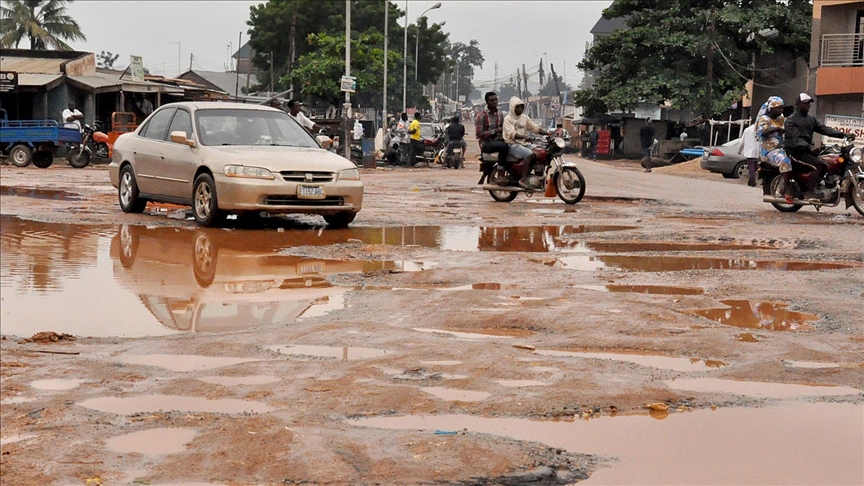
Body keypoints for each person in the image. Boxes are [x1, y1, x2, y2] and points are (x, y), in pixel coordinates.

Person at [784, 92, 855, 198]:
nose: (808, 105)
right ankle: (810, 192)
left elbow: (824, 129)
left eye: (809, 103)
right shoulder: (790, 120)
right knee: (821, 165)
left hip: (807, 152)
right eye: (805, 103)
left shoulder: (811, 119)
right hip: (796, 153)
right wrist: (810, 147)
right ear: (798, 104)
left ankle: (826, 186)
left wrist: (844, 135)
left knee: (829, 161)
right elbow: (795, 139)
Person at [503, 95, 549, 189]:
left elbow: (535, 128)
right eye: (517, 107)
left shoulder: (524, 118)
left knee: (540, 152)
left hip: (523, 144)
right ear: (512, 107)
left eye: (521, 107)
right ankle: (523, 179)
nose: (520, 109)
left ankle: (537, 174)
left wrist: (548, 133)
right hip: (512, 144)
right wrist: (525, 137)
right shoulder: (508, 119)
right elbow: (512, 134)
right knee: (528, 154)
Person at [755, 96, 794, 202]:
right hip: (769, 151)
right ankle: (788, 188)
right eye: (779, 108)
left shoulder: (781, 118)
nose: (781, 110)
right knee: (785, 161)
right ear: (771, 108)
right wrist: (775, 129)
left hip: (781, 148)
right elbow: (761, 133)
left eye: (782, 108)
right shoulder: (764, 119)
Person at [475, 91, 509, 170]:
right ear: (487, 102)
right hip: (485, 143)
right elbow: (479, 134)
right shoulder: (481, 115)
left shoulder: (500, 114)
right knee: (504, 146)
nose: (495, 102)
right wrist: (496, 131)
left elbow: (504, 128)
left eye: (496, 100)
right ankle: (501, 170)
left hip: (498, 140)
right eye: (492, 100)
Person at [737, 123, 760, 187]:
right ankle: (752, 181)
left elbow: (742, 141)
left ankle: (751, 180)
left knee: (752, 167)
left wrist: (739, 150)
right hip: (756, 151)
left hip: (750, 151)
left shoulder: (747, 130)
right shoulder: (758, 130)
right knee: (753, 166)